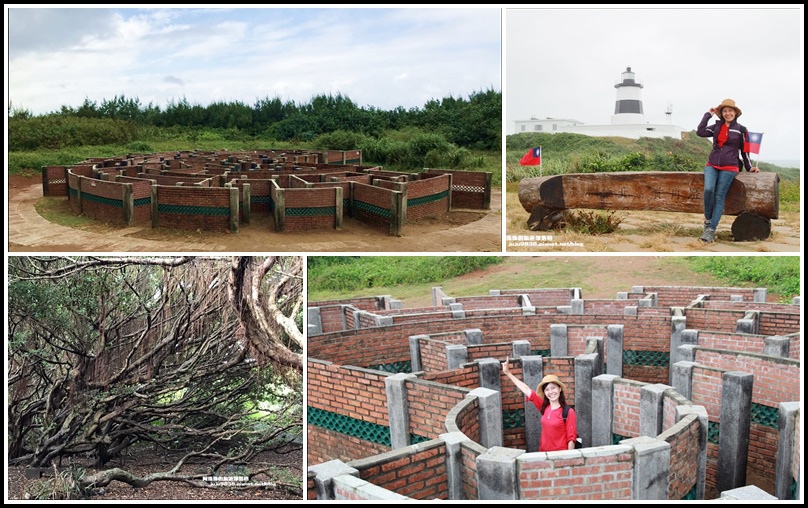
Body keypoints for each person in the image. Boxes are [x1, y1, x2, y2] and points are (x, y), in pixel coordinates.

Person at [696, 98, 760, 243]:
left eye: (730, 111)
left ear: (735, 112)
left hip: (730, 166)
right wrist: (708, 115)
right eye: (725, 111)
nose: (727, 113)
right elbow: (700, 132)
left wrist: (750, 167)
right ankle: (707, 222)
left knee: (719, 196)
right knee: (708, 190)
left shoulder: (741, 130)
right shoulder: (716, 126)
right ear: (721, 113)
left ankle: (711, 230)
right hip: (712, 164)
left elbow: (745, 151)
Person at [501, 357, 577, 451]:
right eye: (547, 389)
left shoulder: (568, 412)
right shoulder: (544, 407)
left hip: (560, 457)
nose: (551, 392)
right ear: (544, 393)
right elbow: (526, 389)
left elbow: (571, 439)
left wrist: (569, 461)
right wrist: (508, 373)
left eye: (553, 388)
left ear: (559, 389)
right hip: (543, 454)